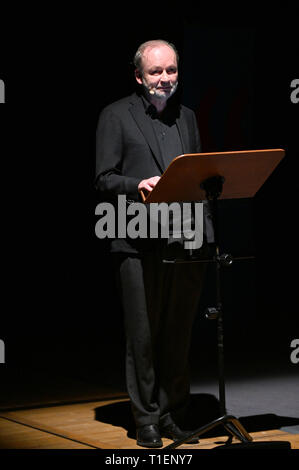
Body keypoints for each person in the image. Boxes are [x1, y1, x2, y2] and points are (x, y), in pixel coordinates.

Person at [95, 39, 214, 448]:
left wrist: (205, 232)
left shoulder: (188, 118)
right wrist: (136, 184)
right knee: (143, 334)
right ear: (139, 76)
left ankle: (171, 414)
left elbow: (197, 177)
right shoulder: (115, 115)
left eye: (171, 71)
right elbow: (103, 178)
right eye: (156, 72)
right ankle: (145, 418)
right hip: (134, 237)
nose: (165, 79)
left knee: (178, 332)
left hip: (184, 236)